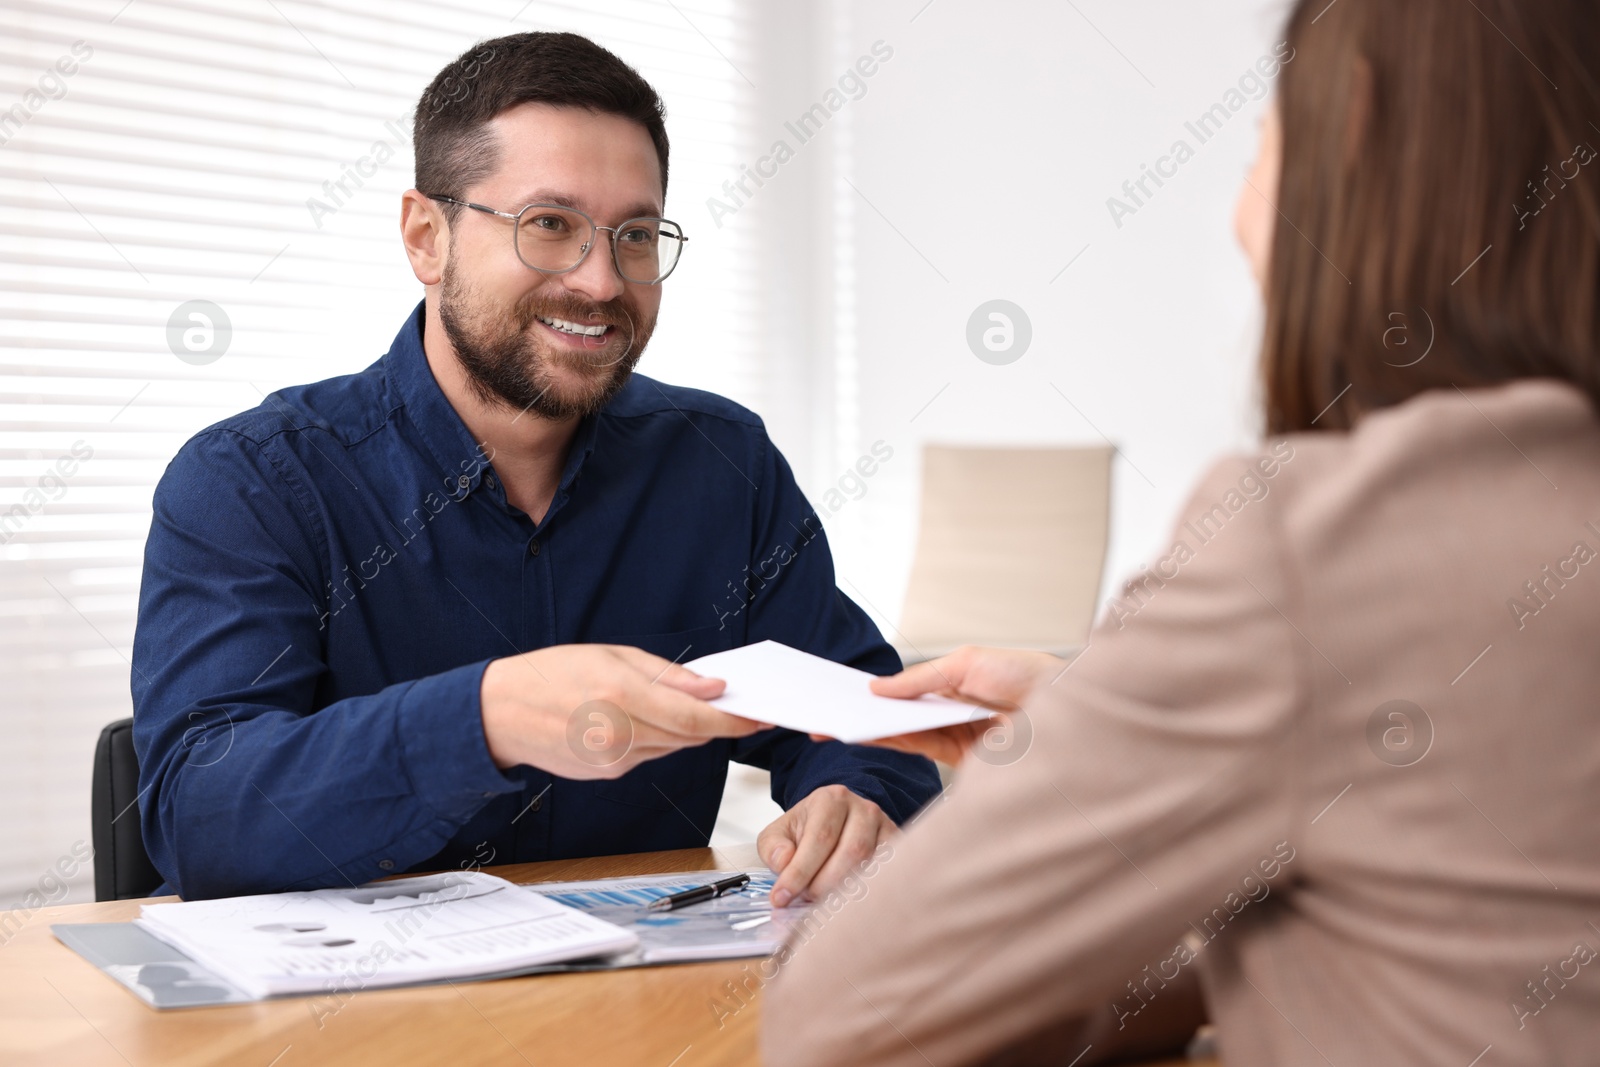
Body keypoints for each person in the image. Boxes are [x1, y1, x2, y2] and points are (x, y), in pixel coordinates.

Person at [762, 0, 1600, 1063]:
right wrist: (1168, 779)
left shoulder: (1316, 542)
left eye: (1264, 133)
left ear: (1351, 136)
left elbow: (836, 1020)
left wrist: (1102, 794)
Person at [130, 32, 938, 903]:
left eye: (634, 234)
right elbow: (197, 818)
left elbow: (866, 712)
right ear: (425, 237)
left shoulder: (719, 462)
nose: (599, 281)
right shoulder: (251, 481)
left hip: (649, 1012)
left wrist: (853, 796)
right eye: (549, 225)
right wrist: (486, 718)